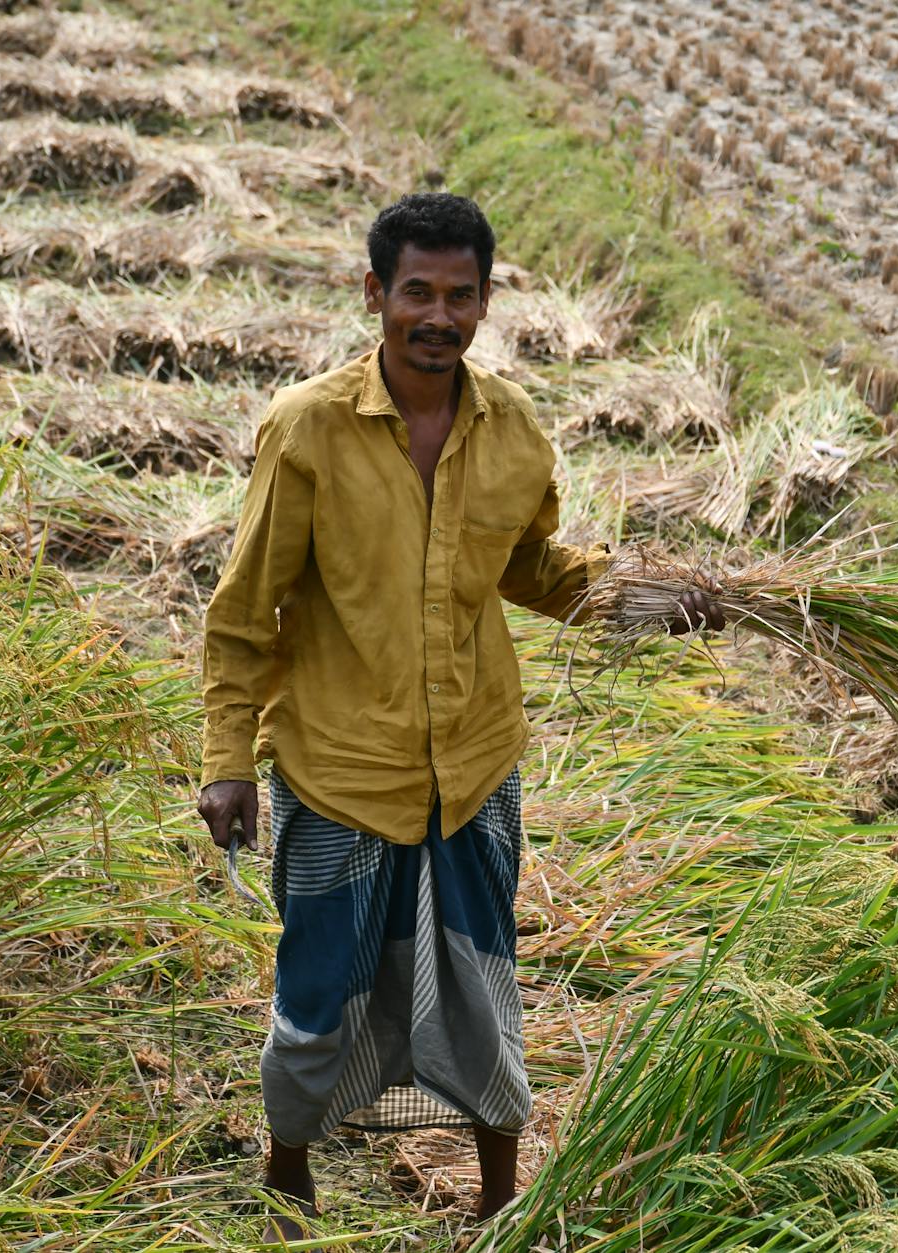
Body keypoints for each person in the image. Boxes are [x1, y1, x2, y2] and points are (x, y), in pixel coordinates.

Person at [196, 192, 721, 1239]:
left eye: (460, 295)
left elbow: (527, 566)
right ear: (375, 294)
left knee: (482, 984)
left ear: (485, 300)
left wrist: (643, 594)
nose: (437, 316)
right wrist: (226, 761)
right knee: (320, 991)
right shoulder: (306, 431)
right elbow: (245, 609)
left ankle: (498, 1189)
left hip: (473, 764)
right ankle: (287, 1164)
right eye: (416, 293)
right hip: (340, 763)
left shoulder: (513, 428)